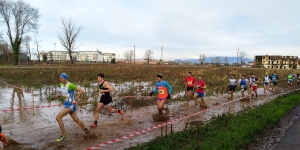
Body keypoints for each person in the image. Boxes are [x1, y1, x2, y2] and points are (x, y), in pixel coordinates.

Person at [55, 73, 90, 142]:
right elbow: (65, 93)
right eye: (60, 78)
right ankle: (86, 129)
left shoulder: (70, 85)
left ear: (65, 79)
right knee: (75, 119)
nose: (60, 80)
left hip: (70, 104)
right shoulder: (61, 85)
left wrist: (75, 99)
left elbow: (81, 91)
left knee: (58, 118)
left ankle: (64, 135)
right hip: (66, 104)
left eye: (61, 78)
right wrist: (59, 95)